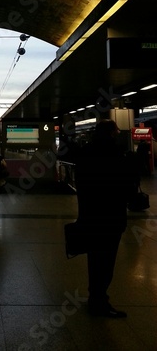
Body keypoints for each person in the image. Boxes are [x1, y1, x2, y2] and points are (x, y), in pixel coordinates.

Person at [75, 119, 134, 318]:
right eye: (116, 131)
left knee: (94, 259)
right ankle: (100, 302)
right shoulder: (116, 154)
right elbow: (126, 186)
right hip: (110, 216)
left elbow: (80, 185)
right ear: (111, 133)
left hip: (90, 215)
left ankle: (95, 298)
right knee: (106, 261)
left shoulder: (85, 153)